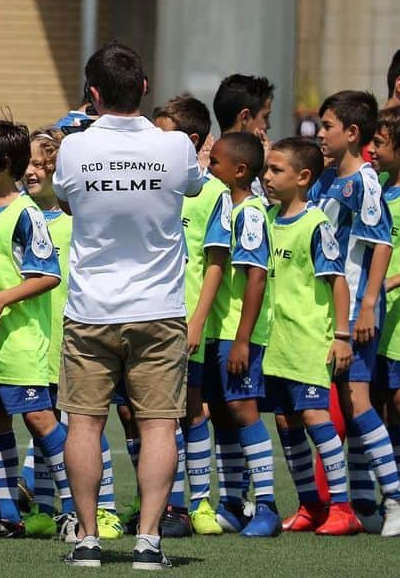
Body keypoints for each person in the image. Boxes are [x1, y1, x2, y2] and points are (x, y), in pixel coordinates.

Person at [53, 41, 204, 570]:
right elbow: (193, 187)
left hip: (91, 307)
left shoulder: (72, 148)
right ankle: (147, 541)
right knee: (160, 424)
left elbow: (67, 199)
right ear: (144, 87)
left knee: (84, 423)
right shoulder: (177, 146)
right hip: (159, 307)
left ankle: (89, 540)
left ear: (92, 96)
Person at [315, 90, 400, 535]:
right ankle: (359, 503)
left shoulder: (366, 183)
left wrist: (369, 303)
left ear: (353, 133)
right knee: (350, 406)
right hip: (330, 310)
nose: (320, 135)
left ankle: (396, 501)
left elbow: (382, 243)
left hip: (355, 307)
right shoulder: (332, 179)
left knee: (357, 401)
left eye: (327, 126)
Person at [23, 126, 124, 540]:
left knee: (82, 423)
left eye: (40, 164)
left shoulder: (77, 219)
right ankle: (48, 508)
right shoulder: (23, 217)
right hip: (34, 336)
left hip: (73, 332)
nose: (30, 171)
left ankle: (104, 509)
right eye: (26, 163)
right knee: (39, 420)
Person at [260, 138, 359, 536]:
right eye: (265, 168)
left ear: (303, 178)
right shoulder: (265, 218)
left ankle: (342, 506)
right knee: (286, 422)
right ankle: (310, 505)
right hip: (275, 344)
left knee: (317, 419)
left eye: (275, 170)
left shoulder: (316, 224)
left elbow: (338, 283)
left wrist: (341, 335)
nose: (266, 177)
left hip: (307, 342)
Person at [0, 120, 64, 539]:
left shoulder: (26, 213)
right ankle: (8, 513)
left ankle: (80, 507)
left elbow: (48, 274)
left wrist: (1, 300)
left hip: (20, 341)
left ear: (4, 164)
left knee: (40, 420)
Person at [153, 95, 229, 537]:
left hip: (185, 318)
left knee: (191, 408)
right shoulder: (154, 181)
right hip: (150, 312)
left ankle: (195, 503)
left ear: (191, 140)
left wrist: (197, 320)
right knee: (150, 412)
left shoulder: (213, 193)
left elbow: (215, 263)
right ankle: (165, 503)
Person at [204, 133, 281, 537]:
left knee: (244, 410)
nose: (208, 168)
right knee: (223, 413)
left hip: (239, 331)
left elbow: (256, 277)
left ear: (239, 170)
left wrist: (243, 338)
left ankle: (266, 505)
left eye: (215, 162)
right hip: (220, 330)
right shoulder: (225, 207)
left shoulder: (249, 213)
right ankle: (233, 502)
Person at [373, 106, 400, 506]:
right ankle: (391, 495)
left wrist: (388, 282)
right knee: (384, 401)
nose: (372, 149)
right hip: (380, 318)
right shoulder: (380, 187)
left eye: (380, 143)